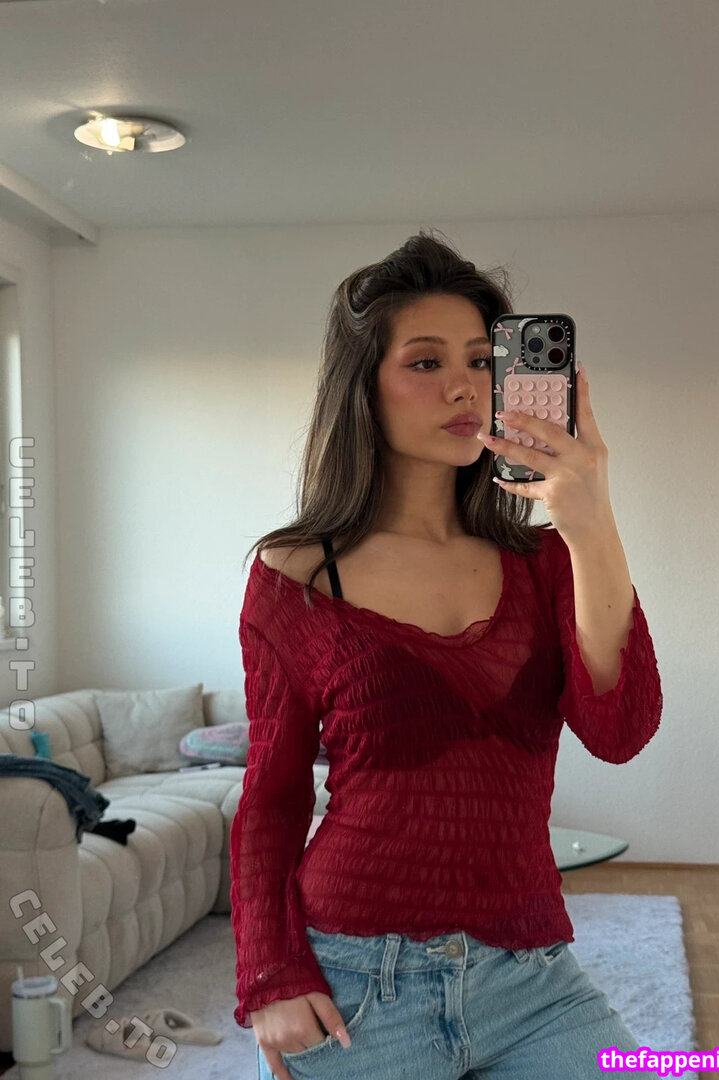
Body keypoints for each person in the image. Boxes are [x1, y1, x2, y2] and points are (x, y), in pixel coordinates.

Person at [231, 228, 664, 1080]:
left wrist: (591, 523)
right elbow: (272, 797)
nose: (465, 385)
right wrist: (270, 975)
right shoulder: (296, 575)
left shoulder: (546, 563)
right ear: (364, 386)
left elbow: (621, 731)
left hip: (531, 978)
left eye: (481, 361)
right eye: (425, 362)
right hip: (359, 984)